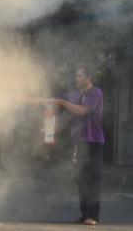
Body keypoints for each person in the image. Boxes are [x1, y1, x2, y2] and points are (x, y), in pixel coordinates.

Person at [49, 66, 105, 226]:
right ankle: (84, 214)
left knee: (92, 179)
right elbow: (54, 100)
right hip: (80, 143)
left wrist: (61, 102)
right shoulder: (75, 95)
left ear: (89, 78)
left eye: (79, 76)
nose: (77, 79)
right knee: (82, 179)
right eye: (76, 76)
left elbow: (81, 111)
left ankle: (93, 216)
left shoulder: (95, 93)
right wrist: (29, 98)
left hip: (93, 142)